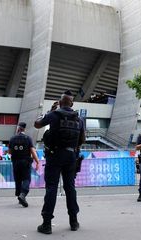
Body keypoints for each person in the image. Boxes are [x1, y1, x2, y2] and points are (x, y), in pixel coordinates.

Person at [34, 90, 85, 234]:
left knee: (51, 188)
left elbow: (37, 124)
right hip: (71, 157)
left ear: (60, 102)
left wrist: (49, 111)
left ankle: (47, 224)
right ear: (72, 103)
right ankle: (74, 222)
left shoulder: (53, 115)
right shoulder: (79, 119)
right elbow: (82, 140)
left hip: (54, 155)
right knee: (70, 188)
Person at [8, 122, 40, 207]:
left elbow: (9, 152)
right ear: (24, 129)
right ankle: (23, 194)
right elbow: (33, 151)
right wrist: (37, 161)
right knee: (26, 179)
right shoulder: (28, 138)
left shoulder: (12, 138)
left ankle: (19, 195)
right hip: (25, 161)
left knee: (18, 179)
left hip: (15, 162)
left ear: (18, 128)